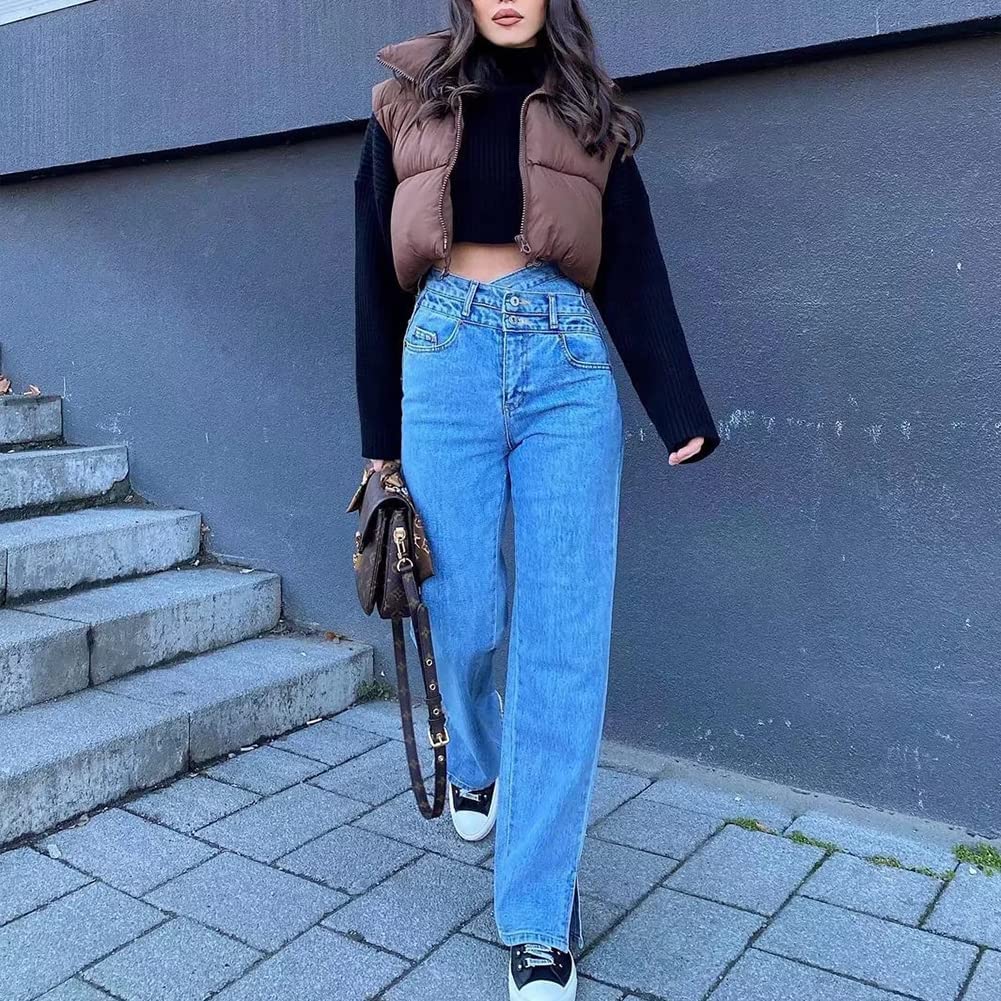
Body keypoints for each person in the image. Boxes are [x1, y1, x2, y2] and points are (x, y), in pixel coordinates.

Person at [354, 3, 720, 997]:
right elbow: (372, 281)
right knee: (458, 605)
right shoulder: (403, 103)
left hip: (564, 363)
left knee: (562, 641)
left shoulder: (588, 109)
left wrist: (675, 404)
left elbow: (632, 260)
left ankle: (536, 911)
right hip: (443, 357)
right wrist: (379, 446)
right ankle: (475, 754)